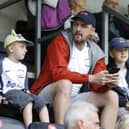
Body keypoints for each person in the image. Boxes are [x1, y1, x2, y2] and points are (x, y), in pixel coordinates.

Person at [30, 10, 119, 129]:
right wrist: (90, 78)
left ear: (92, 30)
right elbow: (58, 74)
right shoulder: (61, 41)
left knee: (112, 96)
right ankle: (61, 127)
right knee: (65, 84)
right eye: (76, 24)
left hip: (74, 98)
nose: (78, 29)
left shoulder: (96, 51)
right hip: (46, 94)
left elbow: (96, 85)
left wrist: (107, 83)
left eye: (83, 26)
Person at [0, 30, 49, 128]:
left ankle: (47, 126)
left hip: (22, 92)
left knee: (41, 102)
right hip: (8, 92)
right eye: (22, 47)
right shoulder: (2, 63)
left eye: (26, 47)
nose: (26, 50)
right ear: (11, 48)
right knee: (27, 101)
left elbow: (25, 86)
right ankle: (29, 126)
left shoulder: (24, 67)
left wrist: (29, 93)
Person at [107, 37, 129, 129]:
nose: (123, 53)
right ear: (111, 54)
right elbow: (109, 92)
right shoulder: (108, 71)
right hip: (119, 107)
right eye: (119, 50)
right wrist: (124, 103)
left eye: (126, 50)